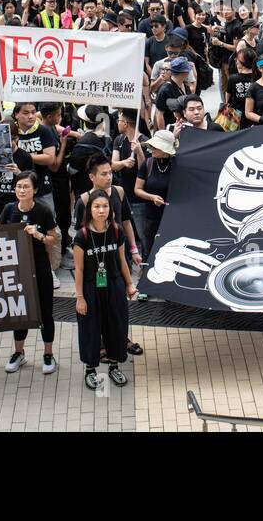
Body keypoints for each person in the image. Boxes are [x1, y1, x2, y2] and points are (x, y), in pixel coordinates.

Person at [74, 189, 137, 391]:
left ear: (110, 209)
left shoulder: (116, 230)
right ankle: (90, 370)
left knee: (116, 326)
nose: (101, 210)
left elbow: (122, 261)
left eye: (105, 206)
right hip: (91, 288)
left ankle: (114, 366)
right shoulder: (82, 235)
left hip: (114, 285)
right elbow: (79, 269)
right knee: (91, 329)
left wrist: (128, 284)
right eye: (97, 207)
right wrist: (80, 298)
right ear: (89, 209)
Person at [0, 171, 58, 375]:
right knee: (19, 312)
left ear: (35, 190)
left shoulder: (44, 211)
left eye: (26, 186)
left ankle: (49, 354)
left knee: (45, 311)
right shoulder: (8, 210)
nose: (22, 190)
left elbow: (53, 239)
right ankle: (18, 352)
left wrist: (39, 235)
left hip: (40, 267)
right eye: (18, 186)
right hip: (17, 269)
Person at [133, 129, 175, 262]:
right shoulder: (148, 163)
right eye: (151, 146)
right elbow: (137, 189)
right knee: (148, 247)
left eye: (155, 146)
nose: (151, 149)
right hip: (151, 216)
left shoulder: (178, 165)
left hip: (171, 216)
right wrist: (152, 197)